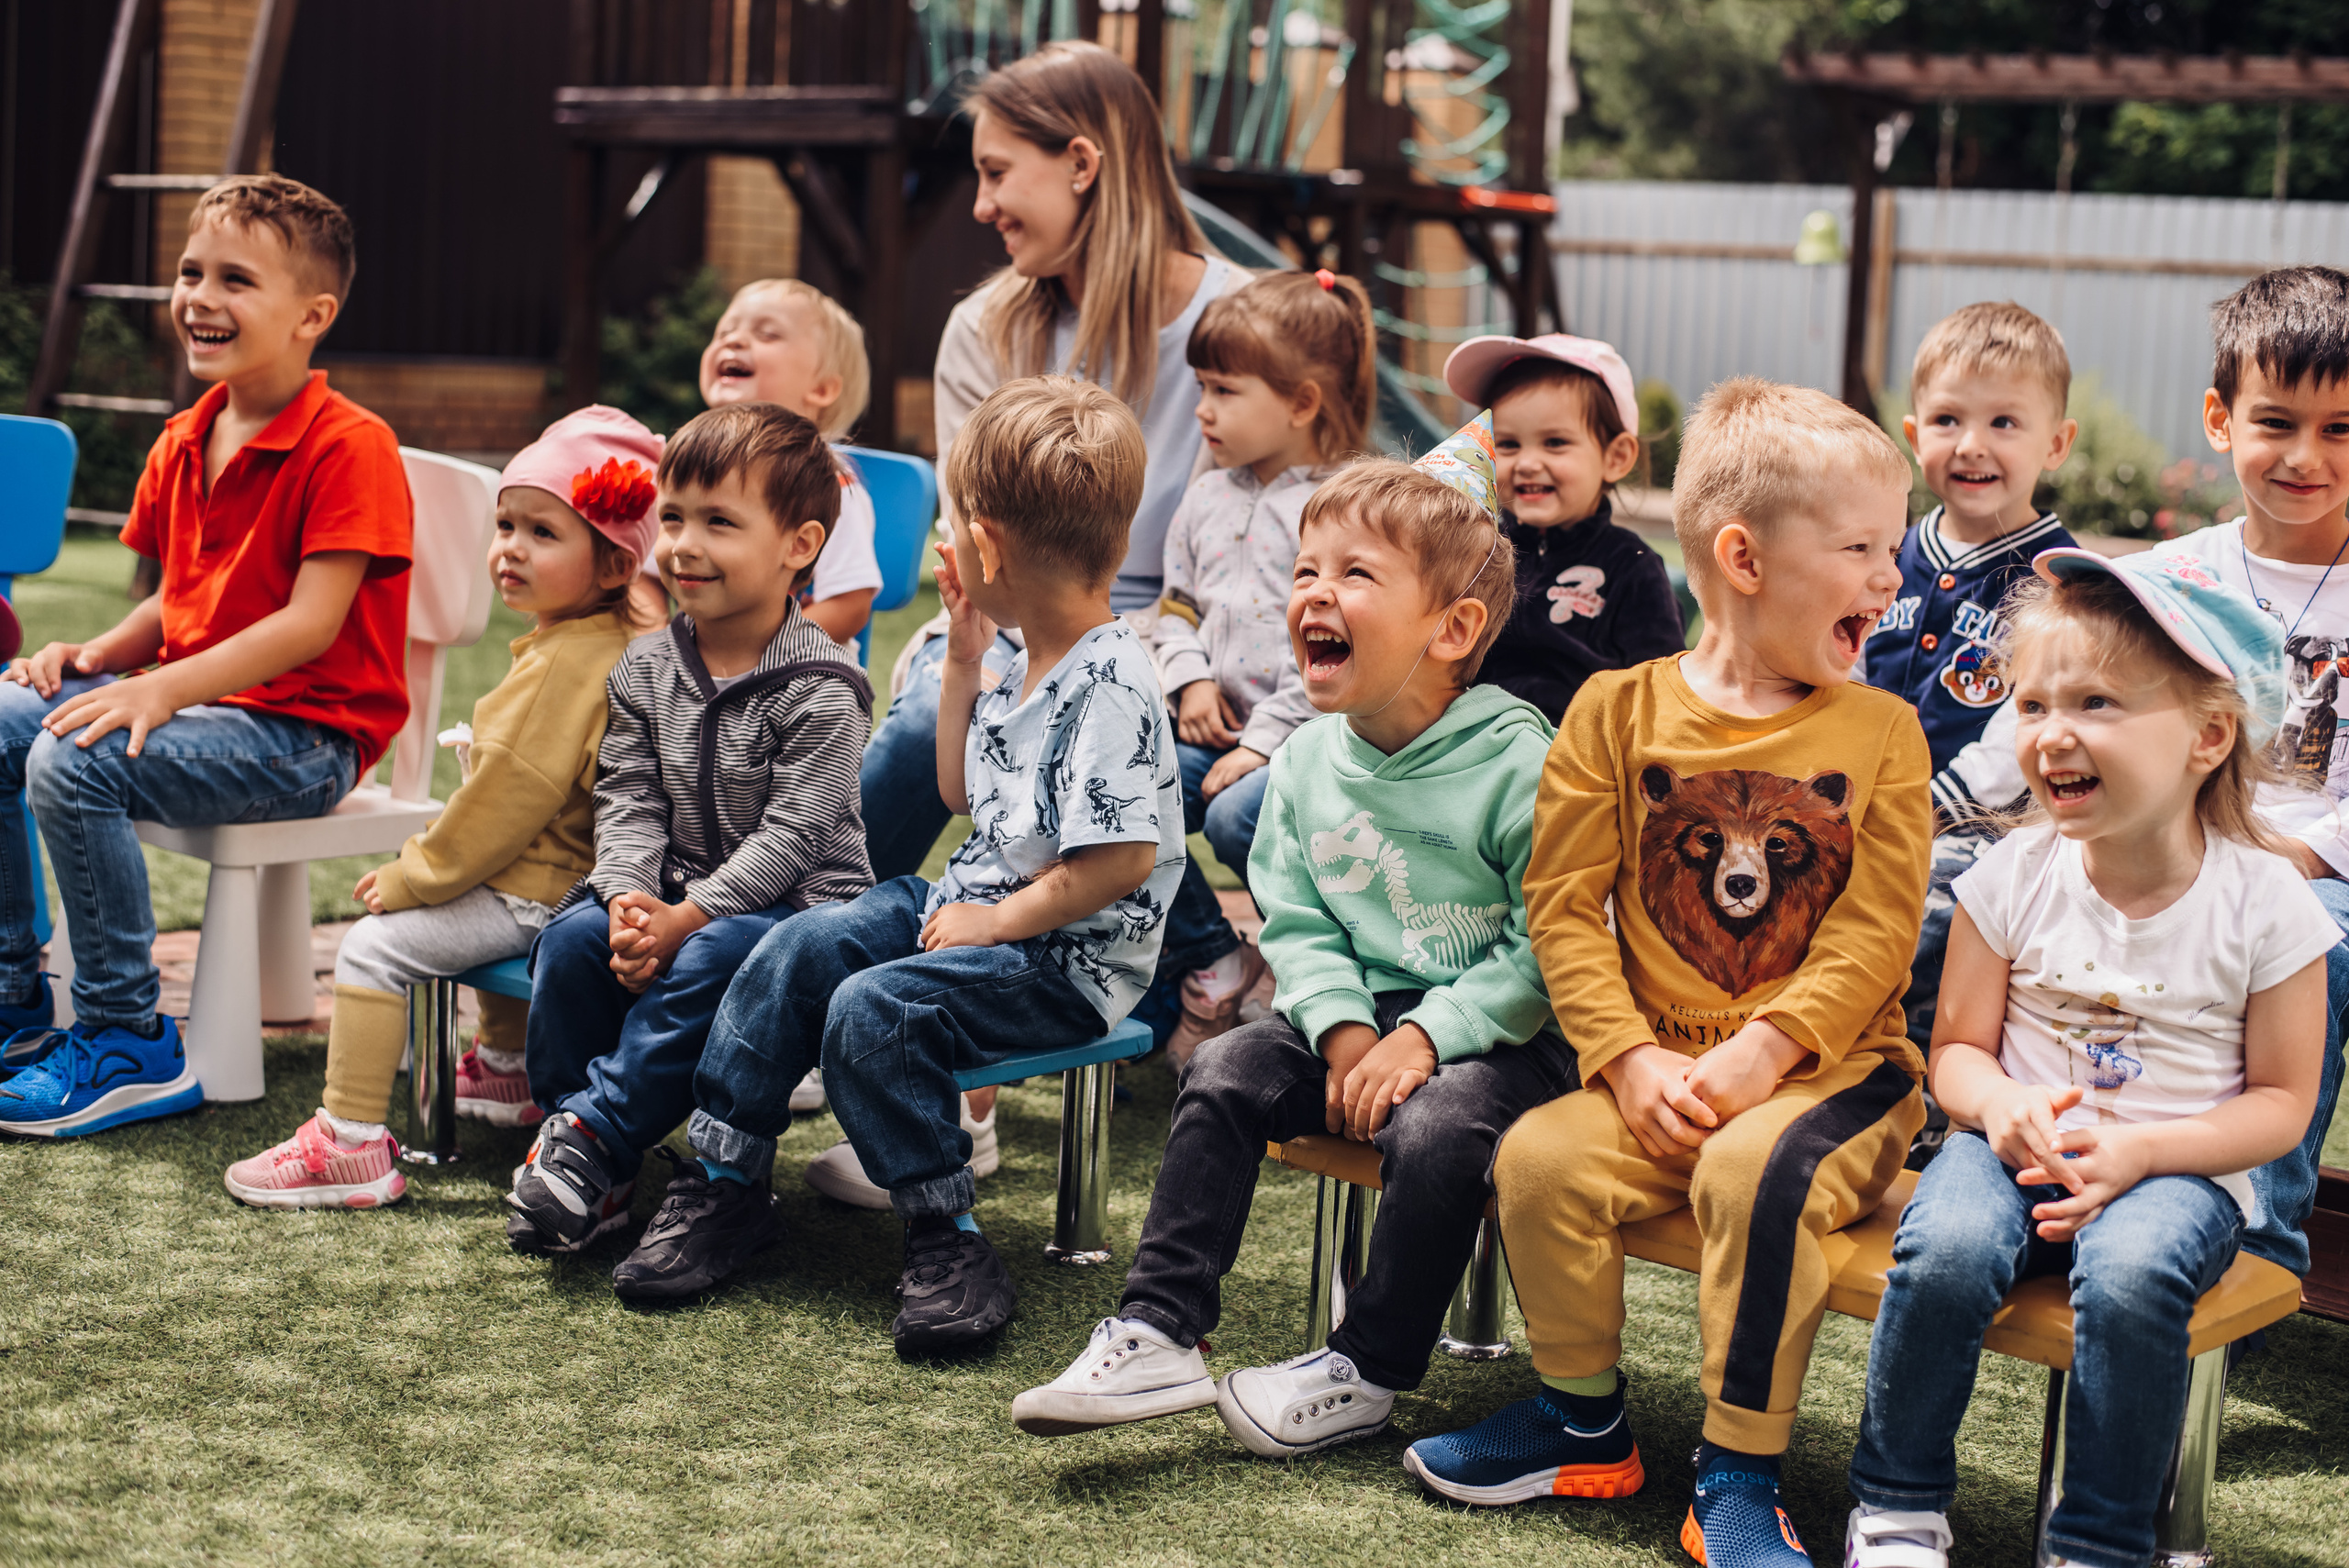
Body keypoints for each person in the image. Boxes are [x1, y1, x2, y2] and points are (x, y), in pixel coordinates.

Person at [1405, 380, 1929, 1568]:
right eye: (1861, 550)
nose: (1890, 577)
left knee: (1753, 1168)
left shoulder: (1881, 734)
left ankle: (1740, 1474)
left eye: (1891, 548)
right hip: (1658, 1075)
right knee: (1538, 1158)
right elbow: (1564, 903)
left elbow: (1875, 935)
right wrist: (1623, 1056)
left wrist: (1764, 1051)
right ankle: (1581, 1423)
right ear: (1742, 558)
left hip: (1837, 1081)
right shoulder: (1613, 708)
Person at [1011, 416, 1578, 1454]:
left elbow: (1551, 944)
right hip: (1357, 1021)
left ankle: (1366, 1365)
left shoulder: (1520, 761)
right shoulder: (1307, 761)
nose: (1311, 590)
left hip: (1504, 1035)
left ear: (1449, 629)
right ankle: (1158, 1327)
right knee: (1226, 1066)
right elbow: (1299, 914)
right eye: (1305, 567)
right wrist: (1345, 1030)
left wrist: (1424, 1036)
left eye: (1354, 573)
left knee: (1440, 1125)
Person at [606, 377, 1185, 1358]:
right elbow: (962, 794)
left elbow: (1121, 858)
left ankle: (944, 1233)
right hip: (971, 905)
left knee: (871, 1008)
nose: (944, 545)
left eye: (955, 526)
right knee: (800, 943)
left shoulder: (1115, 680)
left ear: (986, 544)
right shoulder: (1022, 655)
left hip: (1059, 962)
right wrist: (962, 656)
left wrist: (996, 924)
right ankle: (726, 1179)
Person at [1842, 550, 2330, 1568]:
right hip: (2010, 1143)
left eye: (2097, 701)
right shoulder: (2013, 870)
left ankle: (2101, 1541)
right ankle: (1894, 1504)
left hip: (2179, 1166)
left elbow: (2284, 1103)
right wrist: (2001, 1103)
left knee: (2133, 1271)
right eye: (2031, 704)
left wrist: (2147, 1155)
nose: (2052, 732)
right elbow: (1958, 1054)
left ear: (2207, 734)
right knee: (1946, 1249)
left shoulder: (2266, 901)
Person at [1931, 265, 2349, 1276]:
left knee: (2312, 950)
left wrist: (2276, 855)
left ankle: (2256, 1242)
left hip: (2315, 872)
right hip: (2155, 843)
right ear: (2219, 418)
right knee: (1971, 900)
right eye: (2275, 421)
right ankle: (2004, 1150)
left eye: (2340, 429)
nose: (2304, 455)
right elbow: (2073, 718)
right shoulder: (2165, 578)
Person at [0, 175, 411, 1138]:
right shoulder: (184, 437)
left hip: (303, 736)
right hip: (202, 712)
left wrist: (161, 689)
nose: (200, 297)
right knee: (7, 714)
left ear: (313, 314)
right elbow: (171, 601)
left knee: (73, 757)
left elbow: (312, 622)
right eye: (191, 272)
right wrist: (92, 654)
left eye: (236, 279)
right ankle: (17, 991)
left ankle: (123, 1036)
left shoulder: (353, 445)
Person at [220, 407, 657, 1205]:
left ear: (614, 566)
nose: (511, 548)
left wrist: (415, 876)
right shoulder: (605, 643)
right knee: (471, 901)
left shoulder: (567, 663)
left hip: (538, 893)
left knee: (375, 947)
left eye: (543, 533)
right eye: (505, 524)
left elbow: (503, 805)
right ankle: (506, 1066)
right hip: (566, 885)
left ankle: (348, 1144)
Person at [860, 39, 1250, 886]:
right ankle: (791, 942)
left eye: (997, 173)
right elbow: (979, 540)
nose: (980, 205)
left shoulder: (1244, 328)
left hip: (1194, 647)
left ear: (1081, 163)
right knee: (930, 717)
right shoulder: (987, 331)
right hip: (1015, 619)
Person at [502, 404, 874, 1255]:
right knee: (574, 941)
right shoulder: (646, 664)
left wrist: (686, 918)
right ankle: (591, 1168)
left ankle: (591, 1136)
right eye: (671, 517)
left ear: (799, 546)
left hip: (798, 913)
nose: (682, 544)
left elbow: (795, 838)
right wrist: (630, 896)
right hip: (668, 893)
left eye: (719, 522)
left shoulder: (823, 684)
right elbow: (628, 795)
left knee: (709, 955)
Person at [1150, 266, 1375, 1060]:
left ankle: (1311, 961)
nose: (1203, 410)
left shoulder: (1351, 507)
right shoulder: (1205, 495)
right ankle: (1211, 951)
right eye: (1201, 386)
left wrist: (1263, 742)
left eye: (1223, 390)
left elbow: (1342, 643)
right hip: (1209, 729)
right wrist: (1190, 679)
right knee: (1121, 790)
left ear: (1301, 402)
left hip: (1311, 742)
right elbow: (1175, 604)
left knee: (1233, 815)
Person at [1865, 303, 2079, 1060]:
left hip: (1982, 823)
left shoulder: (2054, 576)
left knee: (1934, 912)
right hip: (1861, 796)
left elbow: (2025, 718)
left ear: (2056, 443)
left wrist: (1925, 809)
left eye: (2005, 424)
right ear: (1914, 434)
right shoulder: (1886, 551)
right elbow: (1848, 667)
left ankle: (1919, 1083)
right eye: (1950, 420)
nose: (1973, 446)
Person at [1440, 332, 1683, 723]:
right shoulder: (1474, 552)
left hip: (1578, 759)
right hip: (1470, 752)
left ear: (1616, 457)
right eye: (1508, 444)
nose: (1528, 462)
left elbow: (1659, 695)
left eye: (1554, 442)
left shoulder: (1631, 568)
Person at [637, 277, 884, 650]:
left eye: (767, 334)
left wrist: (754, 658)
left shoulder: (831, 486)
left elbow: (849, 604)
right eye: (724, 331)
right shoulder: (686, 469)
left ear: (820, 388)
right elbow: (647, 576)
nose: (732, 341)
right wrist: (656, 641)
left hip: (792, 679)